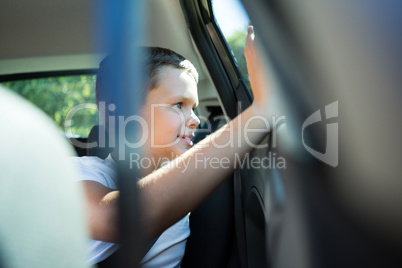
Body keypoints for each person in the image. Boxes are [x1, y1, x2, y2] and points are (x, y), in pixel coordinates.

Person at [72, 26, 270, 267]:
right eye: (178, 105)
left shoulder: (180, 195)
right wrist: (258, 112)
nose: (195, 119)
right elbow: (115, 219)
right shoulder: (80, 172)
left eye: (194, 108)